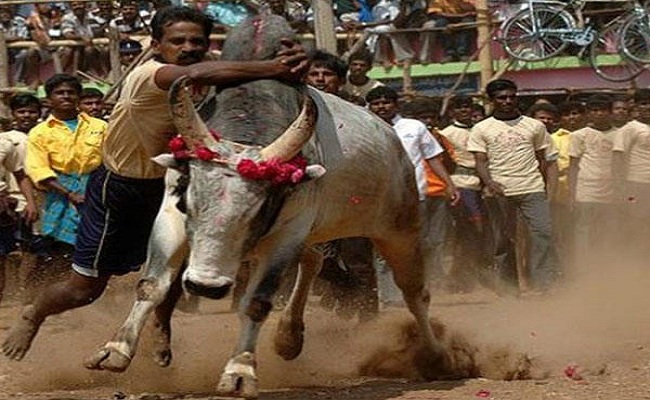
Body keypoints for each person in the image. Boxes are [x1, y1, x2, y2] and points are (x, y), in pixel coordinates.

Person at [1, 5, 307, 362]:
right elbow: (196, 72)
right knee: (84, 289)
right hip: (118, 189)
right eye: (178, 41)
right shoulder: (153, 74)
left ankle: (161, 322)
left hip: (167, 186)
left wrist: (294, 62)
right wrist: (273, 67)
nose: (188, 46)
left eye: (197, 40)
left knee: (175, 262)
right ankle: (33, 314)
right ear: (156, 45)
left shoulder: (212, 83)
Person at [468, 79, 559, 295]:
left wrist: (547, 190)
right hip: (500, 191)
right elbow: (480, 161)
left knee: (543, 234)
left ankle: (542, 285)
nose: (508, 101)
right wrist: (490, 183)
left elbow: (543, 158)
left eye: (511, 96)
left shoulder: (534, 126)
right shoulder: (482, 128)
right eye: (502, 98)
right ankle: (509, 289)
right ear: (492, 101)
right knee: (503, 241)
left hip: (532, 188)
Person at [366, 86, 458, 299]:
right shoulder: (365, 126)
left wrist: (449, 184)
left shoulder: (414, 127)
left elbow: (432, 157)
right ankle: (389, 298)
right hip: (379, 199)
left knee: (416, 244)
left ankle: (417, 291)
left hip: (414, 196)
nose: (382, 107)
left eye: (386, 102)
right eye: (376, 103)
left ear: (396, 105)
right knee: (382, 248)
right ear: (370, 107)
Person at [400, 96, 460, 289]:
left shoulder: (441, 138)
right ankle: (420, 278)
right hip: (418, 194)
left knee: (438, 239)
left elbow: (449, 164)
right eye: (423, 117)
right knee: (421, 239)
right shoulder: (404, 134)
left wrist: (449, 184)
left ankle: (435, 277)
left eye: (432, 117)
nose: (428, 121)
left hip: (438, 193)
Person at [439, 95, 489, 292]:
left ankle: (468, 276)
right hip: (460, 183)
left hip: (481, 184)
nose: (464, 111)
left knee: (482, 233)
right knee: (467, 232)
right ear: (452, 112)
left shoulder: (481, 129)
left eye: (467, 107)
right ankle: (460, 278)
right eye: (459, 108)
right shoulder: (446, 133)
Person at [568, 94, 619, 273]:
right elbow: (573, 166)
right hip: (586, 191)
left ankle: (606, 269)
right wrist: (572, 194)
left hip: (611, 192)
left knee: (609, 232)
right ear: (588, 113)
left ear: (610, 112)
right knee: (584, 232)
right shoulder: (579, 136)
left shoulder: (619, 135)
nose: (599, 114)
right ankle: (584, 270)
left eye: (603, 110)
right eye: (594, 110)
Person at [0, 94, 41, 304]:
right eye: (22, 111)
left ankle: (22, 290)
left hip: (25, 200)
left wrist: (30, 201)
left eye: (31, 111)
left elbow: (19, 173)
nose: (27, 115)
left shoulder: (6, 142)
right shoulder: (9, 138)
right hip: (11, 200)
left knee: (28, 246)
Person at [613, 89, 650, 260]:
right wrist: (620, 187)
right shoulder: (630, 129)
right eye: (644, 103)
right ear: (635, 106)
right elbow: (618, 158)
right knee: (638, 224)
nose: (648, 107)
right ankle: (636, 262)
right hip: (638, 184)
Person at [60, 1, 107, 78]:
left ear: (85, 5)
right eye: (75, 5)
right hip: (76, 46)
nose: (78, 6)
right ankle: (60, 75)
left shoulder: (92, 16)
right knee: (68, 50)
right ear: (71, 7)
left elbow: (99, 30)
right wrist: (82, 37)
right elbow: (67, 34)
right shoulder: (67, 17)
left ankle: (100, 74)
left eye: (80, 4)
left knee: (89, 50)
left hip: (93, 45)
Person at [0, 4, 30, 86]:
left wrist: (4, 39)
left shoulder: (19, 21)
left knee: (24, 54)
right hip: (2, 51)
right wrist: (11, 38)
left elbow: (22, 37)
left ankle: (18, 80)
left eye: (7, 12)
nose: (4, 15)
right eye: (2, 12)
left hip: (17, 50)